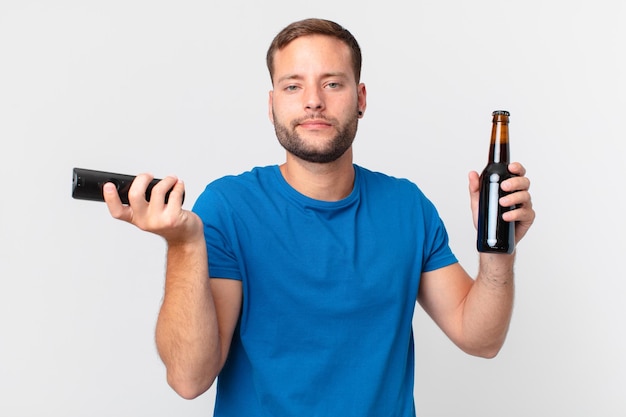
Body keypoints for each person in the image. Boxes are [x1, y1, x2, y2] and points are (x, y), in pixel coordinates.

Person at [103, 18, 535, 416]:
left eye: (332, 83)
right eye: (293, 86)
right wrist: (184, 244)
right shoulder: (228, 207)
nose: (313, 101)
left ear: (360, 99)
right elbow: (188, 379)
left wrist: (498, 249)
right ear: (272, 104)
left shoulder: (407, 207)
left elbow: (481, 339)